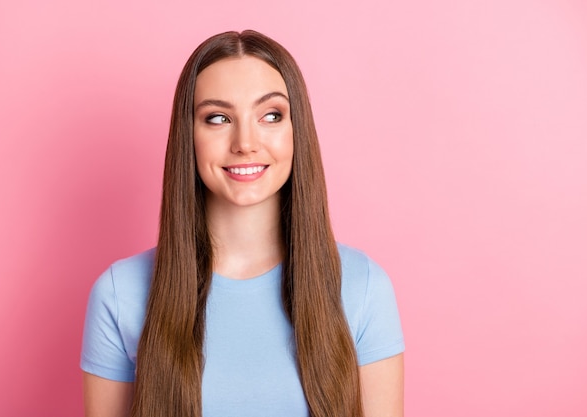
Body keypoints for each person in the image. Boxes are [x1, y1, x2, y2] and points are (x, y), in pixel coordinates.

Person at [81, 30, 405, 417]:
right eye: (218, 118)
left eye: (271, 115)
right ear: (190, 136)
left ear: (295, 130)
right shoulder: (120, 295)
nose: (245, 142)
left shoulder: (363, 286)